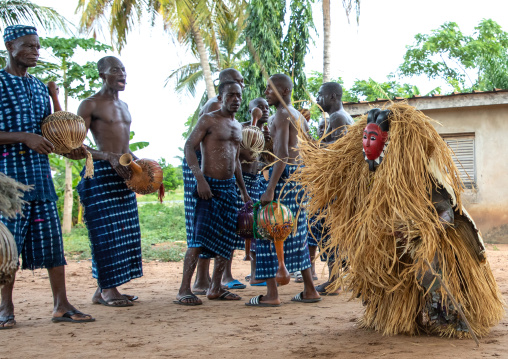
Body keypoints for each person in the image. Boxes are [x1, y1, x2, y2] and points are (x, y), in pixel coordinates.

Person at [0, 25, 94, 328]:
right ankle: (5, 308)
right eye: (28, 46)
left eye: (38, 47)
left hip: (40, 177)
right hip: (7, 182)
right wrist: (23, 137)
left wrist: (70, 149)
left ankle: (61, 305)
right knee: (7, 247)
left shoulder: (40, 87)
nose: (36, 52)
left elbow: (49, 133)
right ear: (10, 45)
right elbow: (29, 136)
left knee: (52, 243)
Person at [71, 56, 142, 307]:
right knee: (105, 234)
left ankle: (103, 289)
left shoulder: (124, 107)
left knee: (123, 233)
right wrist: (107, 157)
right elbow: (75, 145)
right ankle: (109, 290)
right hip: (99, 172)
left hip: (122, 173)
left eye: (124, 70)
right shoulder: (89, 104)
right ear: (102, 75)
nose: (122, 74)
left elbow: (125, 147)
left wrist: (143, 168)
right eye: (115, 70)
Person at [246, 74, 320, 307]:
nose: (266, 92)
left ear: (285, 91)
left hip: (283, 179)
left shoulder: (281, 114)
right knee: (296, 233)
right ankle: (309, 290)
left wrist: (269, 189)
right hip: (299, 180)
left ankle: (271, 295)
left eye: (271, 89)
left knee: (269, 228)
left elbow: (282, 156)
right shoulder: (297, 115)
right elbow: (309, 149)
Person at [175, 81, 251, 306]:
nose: (235, 99)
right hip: (208, 186)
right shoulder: (209, 119)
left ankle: (216, 287)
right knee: (198, 239)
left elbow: (236, 160)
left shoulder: (238, 126)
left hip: (229, 189)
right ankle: (183, 290)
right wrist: (199, 179)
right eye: (230, 95)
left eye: (238, 95)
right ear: (221, 97)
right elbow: (189, 146)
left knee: (226, 239)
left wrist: (243, 192)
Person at [310, 82, 354, 294]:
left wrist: (314, 146)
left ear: (333, 96)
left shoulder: (338, 118)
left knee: (330, 232)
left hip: (336, 188)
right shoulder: (338, 118)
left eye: (321, 96)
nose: (318, 100)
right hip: (337, 187)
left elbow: (337, 153)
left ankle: (335, 280)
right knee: (331, 233)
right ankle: (335, 278)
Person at [238, 98, 270, 287]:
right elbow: (243, 156)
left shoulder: (268, 132)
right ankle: (225, 276)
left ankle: (256, 273)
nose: (264, 110)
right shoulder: (242, 128)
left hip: (257, 181)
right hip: (241, 181)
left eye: (267, 107)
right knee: (240, 228)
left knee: (258, 228)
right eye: (260, 108)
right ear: (250, 111)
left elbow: (266, 160)